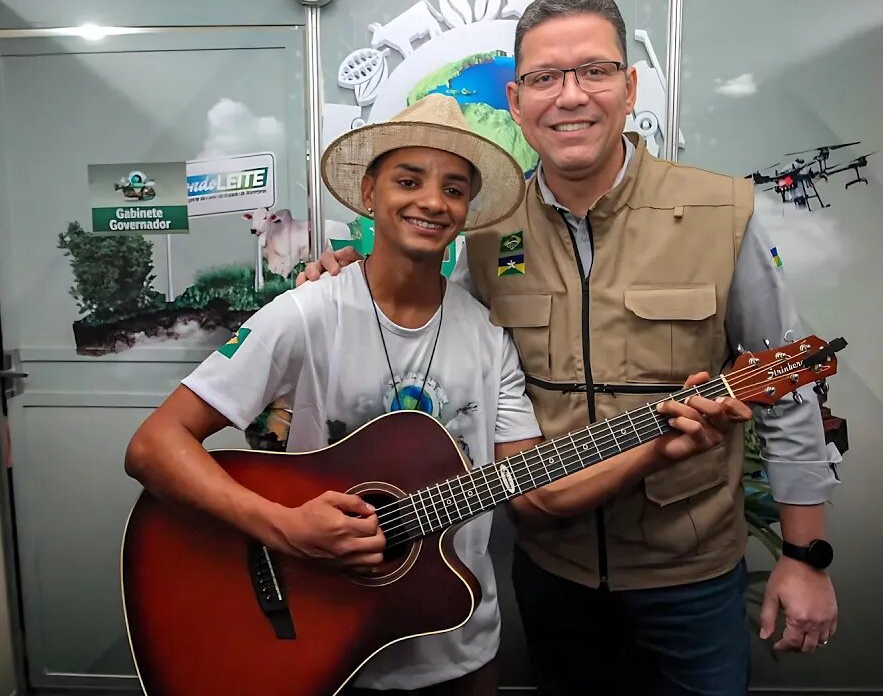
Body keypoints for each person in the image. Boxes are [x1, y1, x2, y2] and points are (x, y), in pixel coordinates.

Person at [299, 0, 842, 696]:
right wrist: (348, 278)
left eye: (594, 70)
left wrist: (806, 555)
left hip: (692, 575)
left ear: (629, 86)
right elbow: (422, 324)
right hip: (552, 575)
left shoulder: (719, 212)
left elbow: (787, 388)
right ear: (518, 101)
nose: (571, 96)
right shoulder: (485, 229)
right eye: (545, 78)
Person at [123, 94, 741, 695]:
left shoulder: (489, 335)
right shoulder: (307, 314)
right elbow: (154, 445)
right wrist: (285, 528)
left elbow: (537, 495)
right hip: (322, 636)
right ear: (370, 193)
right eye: (408, 180)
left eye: (453, 189)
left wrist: (657, 448)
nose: (431, 202)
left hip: (457, 638)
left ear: (468, 209)